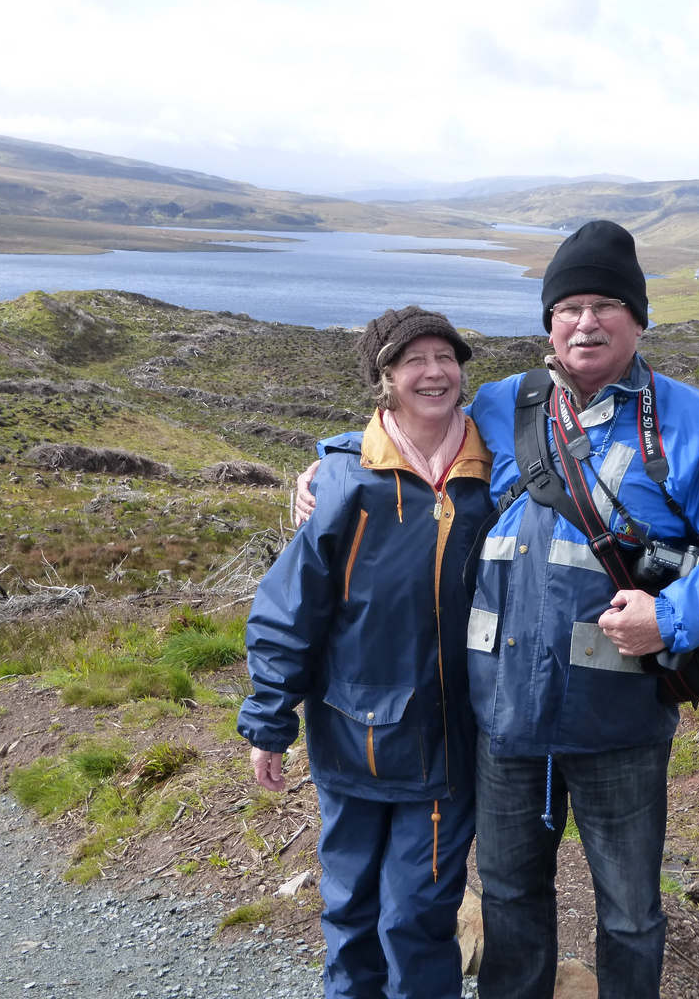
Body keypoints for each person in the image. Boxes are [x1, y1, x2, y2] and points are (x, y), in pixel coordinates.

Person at [297, 221, 699, 999]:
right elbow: (410, 427)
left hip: (621, 723)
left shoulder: (693, 424)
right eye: (569, 307)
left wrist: (669, 621)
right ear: (549, 324)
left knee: (630, 911)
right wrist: (327, 459)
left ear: (639, 321)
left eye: (606, 305)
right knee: (508, 899)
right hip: (504, 724)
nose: (586, 322)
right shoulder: (508, 406)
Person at [238, 306, 494, 999]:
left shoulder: (493, 473)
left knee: (417, 916)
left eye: (447, 357)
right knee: (349, 911)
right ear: (384, 378)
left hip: (447, 745)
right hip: (349, 737)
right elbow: (291, 609)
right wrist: (268, 721)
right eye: (415, 360)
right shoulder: (344, 483)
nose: (435, 372)